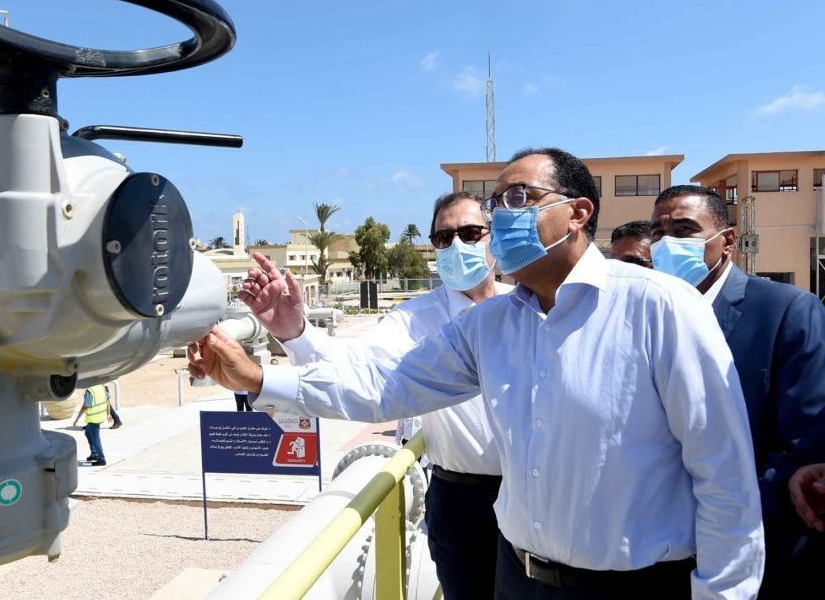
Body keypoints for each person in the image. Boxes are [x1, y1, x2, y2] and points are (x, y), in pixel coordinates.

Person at [190, 148, 764, 599]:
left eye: (520, 197)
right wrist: (259, 380)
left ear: (578, 213)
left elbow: (723, 474)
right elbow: (385, 385)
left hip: (633, 587)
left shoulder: (659, 307)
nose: (501, 216)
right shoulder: (489, 326)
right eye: (497, 203)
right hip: (517, 578)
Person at [236, 192, 511, 599]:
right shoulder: (416, 318)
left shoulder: (524, 307)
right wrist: (295, 332)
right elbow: (357, 365)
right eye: (443, 238)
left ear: (493, 237)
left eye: (470, 233)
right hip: (464, 502)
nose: (456, 246)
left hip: (535, 493)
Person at [651, 184, 825, 597]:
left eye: (684, 229)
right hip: (657, 545)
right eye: (658, 232)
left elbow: (804, 440)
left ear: (727, 240)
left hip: (759, 541)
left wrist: (721, 514)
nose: (667, 242)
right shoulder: (648, 312)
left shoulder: (785, 309)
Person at [71, 384, 111, 466]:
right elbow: (107, 401)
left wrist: (77, 419)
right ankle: (94, 454)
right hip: (100, 415)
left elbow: (85, 406)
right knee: (88, 433)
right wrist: (108, 414)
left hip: (93, 418)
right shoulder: (101, 387)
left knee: (95, 438)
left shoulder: (89, 391)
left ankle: (101, 459)